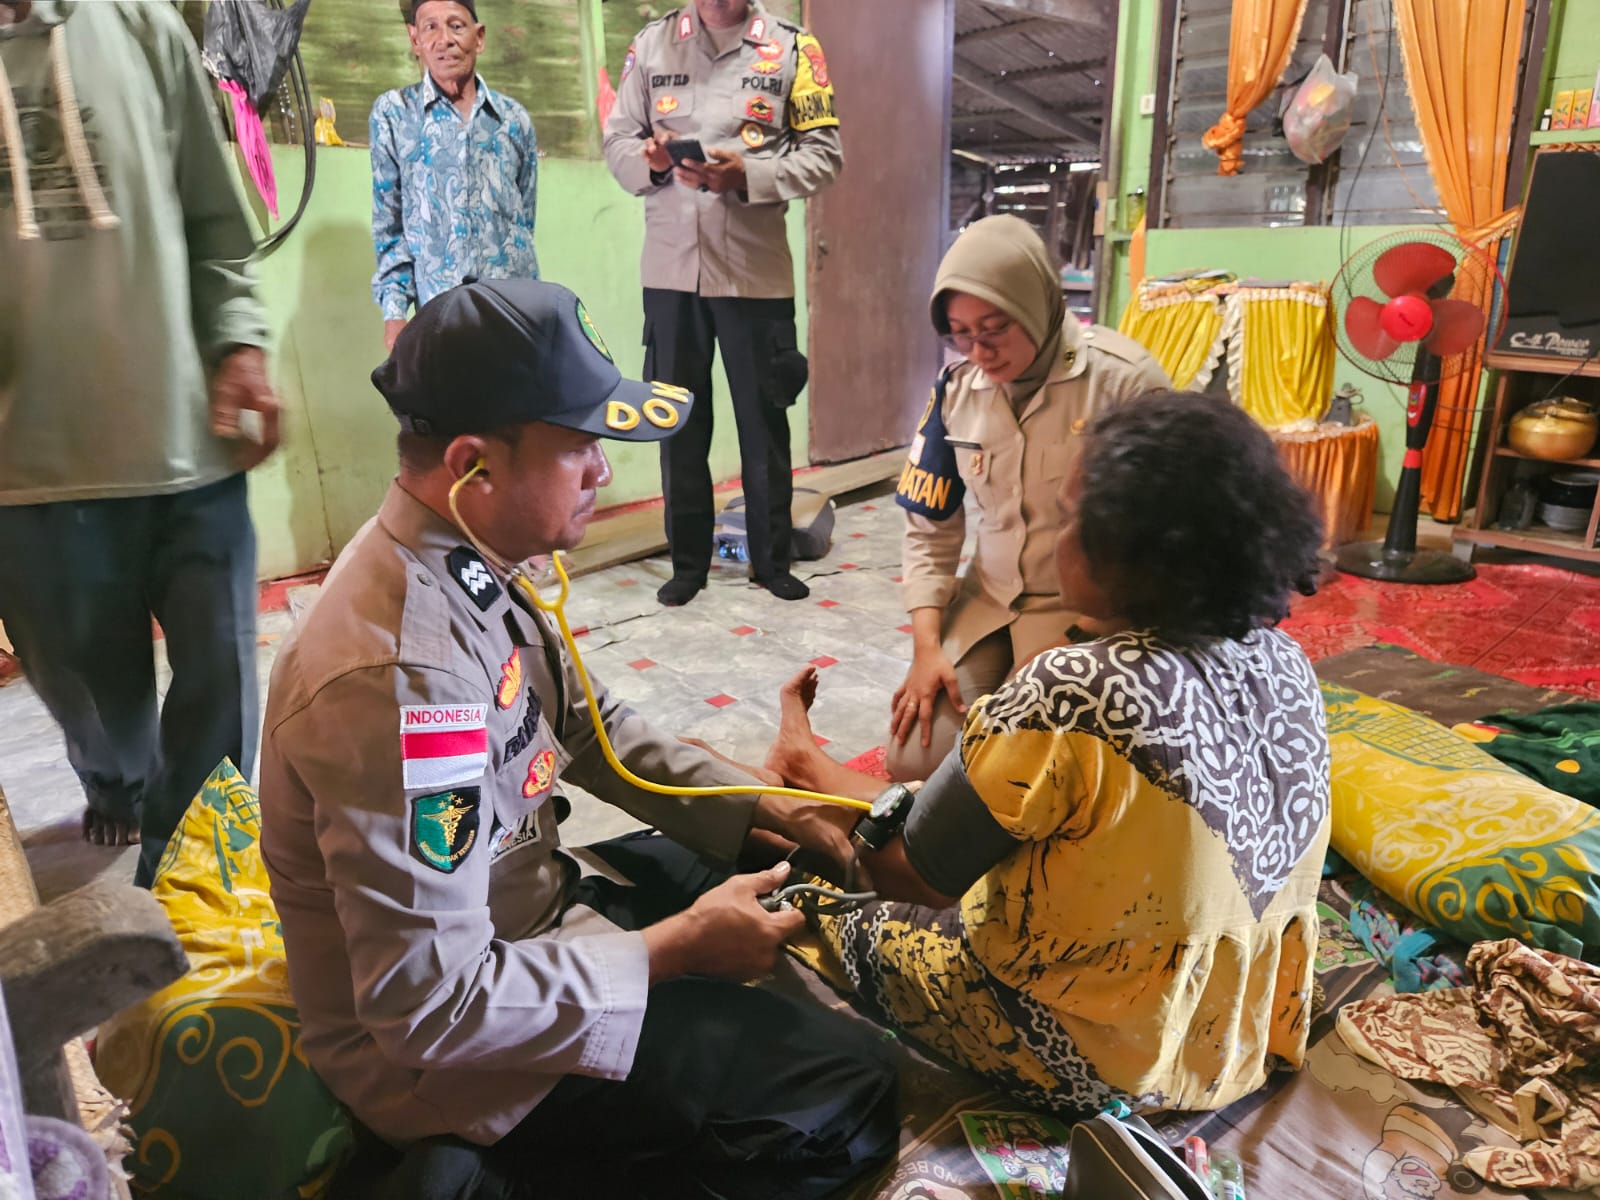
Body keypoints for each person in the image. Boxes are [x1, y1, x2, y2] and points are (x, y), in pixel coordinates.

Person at [258, 279, 897, 1199]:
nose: (603, 471)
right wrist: (675, 950)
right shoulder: (405, 686)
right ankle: (485, 1172)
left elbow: (596, 732)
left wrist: (763, 804)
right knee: (849, 1095)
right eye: (579, 447)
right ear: (474, 466)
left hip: (528, 909)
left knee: (760, 860)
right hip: (453, 1055)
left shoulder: (470, 557)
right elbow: (429, 1010)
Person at [765, 392, 1332, 1118]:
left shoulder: (1076, 691)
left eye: (1067, 518)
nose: (1052, 535)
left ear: (1132, 552)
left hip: (1113, 1057)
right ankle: (804, 775)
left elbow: (912, 873)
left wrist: (810, 807)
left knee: (800, 893)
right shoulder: (1285, 658)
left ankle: (798, 780)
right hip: (1240, 1037)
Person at [0, 0, 279, 881]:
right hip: (28, 473)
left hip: (188, 441)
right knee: (98, 708)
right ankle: (117, 784)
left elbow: (211, 216)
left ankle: (202, 867)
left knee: (223, 680)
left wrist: (238, 341)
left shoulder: (139, 23)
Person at [889, 215, 1170, 781]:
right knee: (914, 761)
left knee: (1040, 771)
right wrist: (927, 648)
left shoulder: (1123, 384)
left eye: (995, 328)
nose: (980, 351)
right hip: (988, 602)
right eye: (960, 332)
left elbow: (1159, 542)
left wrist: (1073, 645)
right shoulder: (956, 391)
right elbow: (929, 527)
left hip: (1090, 613)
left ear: (1038, 304)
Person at [602, 0, 842, 607]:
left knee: (764, 423)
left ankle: (771, 561)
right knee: (677, 421)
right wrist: (652, 165)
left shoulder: (793, 49)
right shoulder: (653, 45)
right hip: (671, 273)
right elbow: (617, 141)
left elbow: (824, 154)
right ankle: (688, 564)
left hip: (755, 277)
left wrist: (748, 178)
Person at [371, 0, 540, 352]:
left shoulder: (514, 119)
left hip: (513, 319)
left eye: (456, 26)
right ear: (415, 40)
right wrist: (394, 313)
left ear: (479, 38)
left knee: (517, 408)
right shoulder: (395, 115)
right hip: (438, 320)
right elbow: (389, 225)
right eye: (430, 27)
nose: (444, 39)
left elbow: (524, 222)